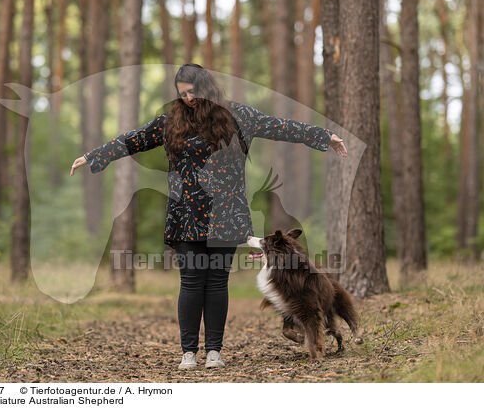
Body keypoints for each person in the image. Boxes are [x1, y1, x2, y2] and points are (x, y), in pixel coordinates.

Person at [70, 63, 347, 370]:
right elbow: (134, 139)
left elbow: (280, 126)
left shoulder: (238, 115)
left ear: (207, 88)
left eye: (193, 91)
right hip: (184, 214)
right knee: (190, 282)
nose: (188, 98)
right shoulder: (171, 120)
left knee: (216, 282)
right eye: (182, 93)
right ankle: (188, 352)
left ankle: (214, 351)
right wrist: (95, 156)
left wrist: (324, 137)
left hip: (226, 215)